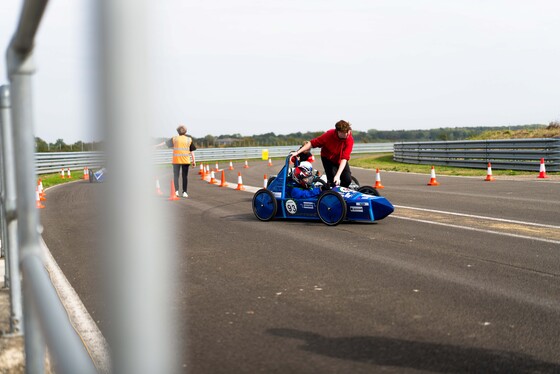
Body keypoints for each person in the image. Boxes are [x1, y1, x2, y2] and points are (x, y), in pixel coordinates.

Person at [291, 120, 354, 187]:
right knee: (333, 181)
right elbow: (311, 143)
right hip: (328, 158)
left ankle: (343, 193)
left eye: (348, 131)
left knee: (347, 180)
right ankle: (332, 194)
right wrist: (297, 152)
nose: (348, 134)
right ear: (339, 132)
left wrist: (338, 175)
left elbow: (344, 158)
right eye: (345, 133)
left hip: (340, 159)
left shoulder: (349, 139)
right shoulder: (329, 135)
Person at [156, 124, 197, 197]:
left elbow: (164, 143)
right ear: (185, 131)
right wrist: (194, 161)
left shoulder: (174, 139)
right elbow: (192, 151)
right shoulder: (189, 139)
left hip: (176, 161)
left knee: (176, 176)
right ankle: (184, 192)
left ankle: (176, 191)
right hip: (185, 161)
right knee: (185, 176)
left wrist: (156, 145)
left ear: (178, 132)